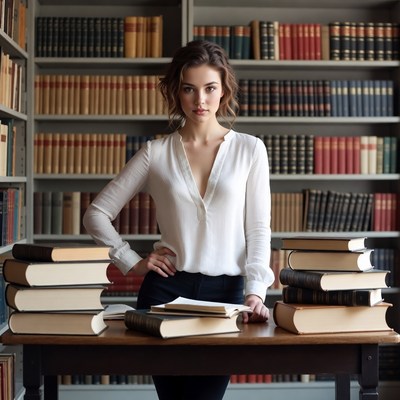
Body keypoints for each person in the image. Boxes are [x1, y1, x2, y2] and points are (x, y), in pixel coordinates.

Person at [83, 39, 275, 400]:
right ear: (177, 91)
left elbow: (258, 229)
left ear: (224, 90)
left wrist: (255, 292)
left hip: (227, 297)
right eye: (189, 89)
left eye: (209, 88)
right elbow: (96, 214)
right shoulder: (156, 152)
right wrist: (132, 261)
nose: (199, 100)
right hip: (165, 295)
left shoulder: (250, 149)